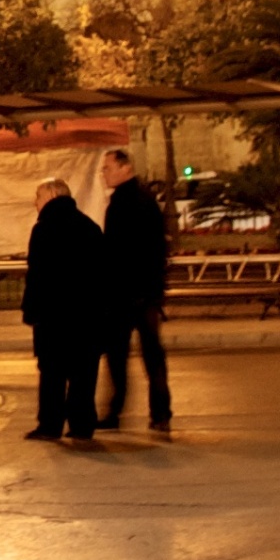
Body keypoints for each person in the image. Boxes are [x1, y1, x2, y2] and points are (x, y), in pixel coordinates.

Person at [98, 149, 175, 436]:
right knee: (152, 355)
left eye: (107, 168)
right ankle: (160, 413)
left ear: (124, 168)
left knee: (118, 354)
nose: (104, 173)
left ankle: (115, 411)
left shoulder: (122, 205)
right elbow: (158, 250)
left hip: (125, 294)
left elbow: (115, 253)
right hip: (147, 293)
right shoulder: (146, 201)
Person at [22, 184, 106, 443]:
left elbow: (37, 275)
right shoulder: (90, 227)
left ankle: (50, 423)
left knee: (52, 372)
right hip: (87, 315)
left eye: (38, 196)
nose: (35, 202)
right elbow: (103, 274)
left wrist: (31, 310)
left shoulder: (43, 229)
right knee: (84, 371)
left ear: (52, 196)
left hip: (53, 316)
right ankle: (82, 424)